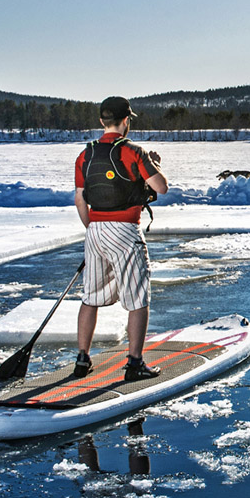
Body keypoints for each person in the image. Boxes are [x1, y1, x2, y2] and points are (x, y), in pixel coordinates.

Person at [73, 96, 169, 381]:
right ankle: (135, 363)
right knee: (138, 297)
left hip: (95, 230)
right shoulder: (134, 152)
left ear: (102, 121)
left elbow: (80, 200)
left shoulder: (85, 154)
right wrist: (153, 164)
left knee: (90, 297)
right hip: (126, 229)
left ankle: (82, 359)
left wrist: (93, 229)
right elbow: (161, 187)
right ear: (126, 120)